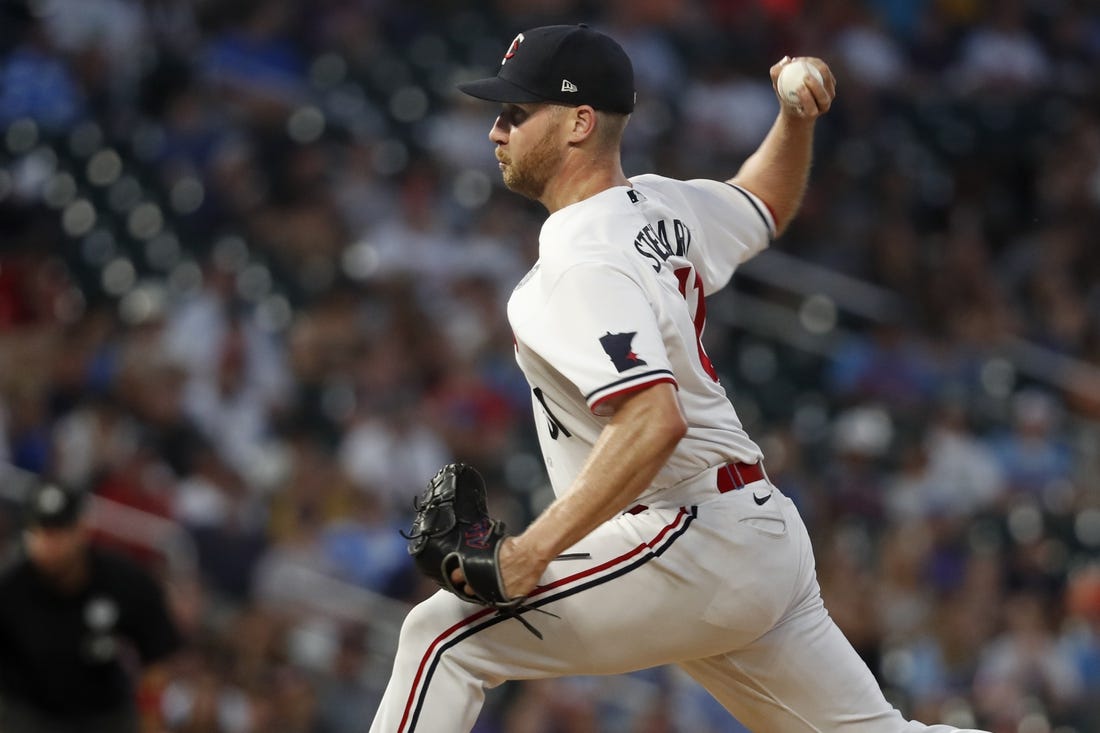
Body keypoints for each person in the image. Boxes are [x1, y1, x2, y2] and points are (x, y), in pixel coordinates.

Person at [370, 24, 989, 732]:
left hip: (690, 534)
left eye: (515, 112)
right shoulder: (656, 206)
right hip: (752, 531)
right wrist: (793, 120)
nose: (494, 130)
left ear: (578, 123)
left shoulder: (582, 260)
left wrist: (529, 552)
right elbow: (763, 202)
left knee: (441, 639)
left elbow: (652, 420)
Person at [0, 478, 183, 733]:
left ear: (81, 529)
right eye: (39, 531)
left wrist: (151, 717)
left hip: (104, 714)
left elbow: (157, 655)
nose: (48, 543)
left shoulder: (122, 582)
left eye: (59, 531)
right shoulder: (9, 590)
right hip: (30, 715)